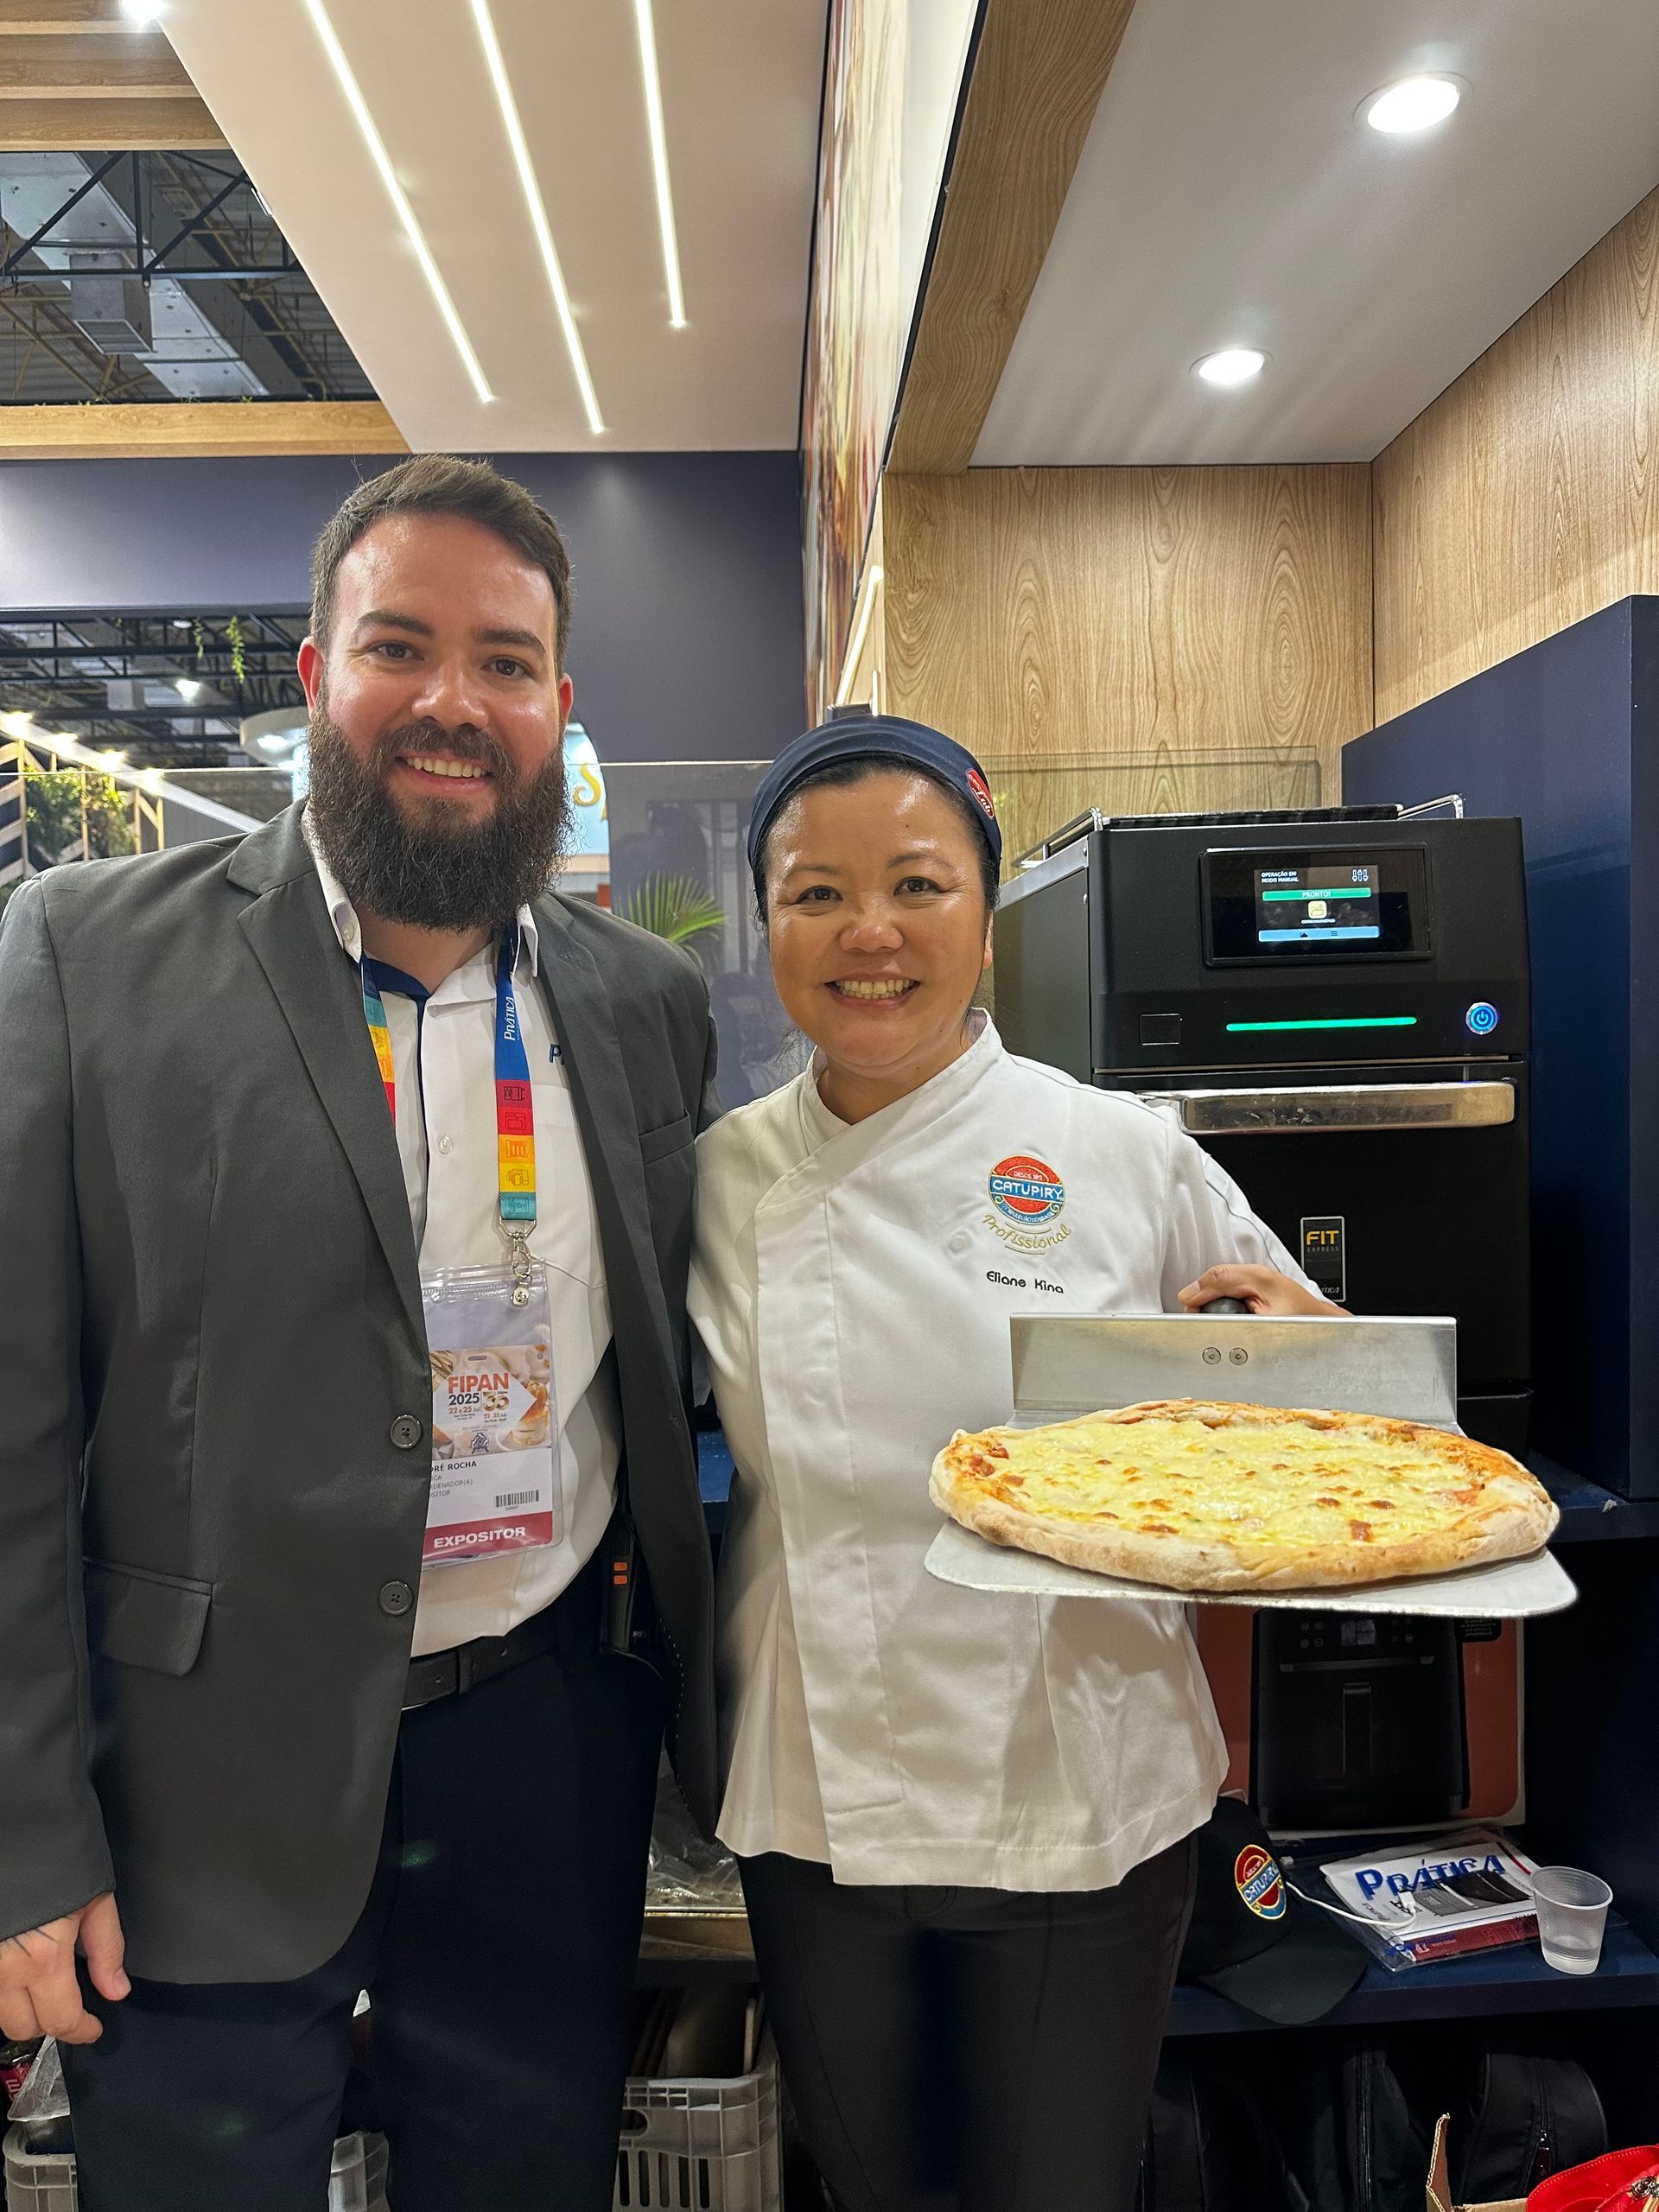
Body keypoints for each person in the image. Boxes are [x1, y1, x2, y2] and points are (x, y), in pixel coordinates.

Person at [0, 456, 718, 2212]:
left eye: (505, 658)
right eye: (400, 645)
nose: (452, 701)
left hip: (540, 1747)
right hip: (194, 1773)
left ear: (561, 705)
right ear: (315, 676)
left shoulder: (644, 1011)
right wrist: (22, 1835)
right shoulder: (85, 956)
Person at [690, 715, 1339, 2212]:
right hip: (815, 1800)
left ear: (986, 920)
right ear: (769, 923)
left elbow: (1317, 1422)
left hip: (1080, 1787)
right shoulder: (718, 1178)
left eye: (918, 885)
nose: (870, 933)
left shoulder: (1120, 1150)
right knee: (867, 2191)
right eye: (815, 894)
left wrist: (1316, 1363)